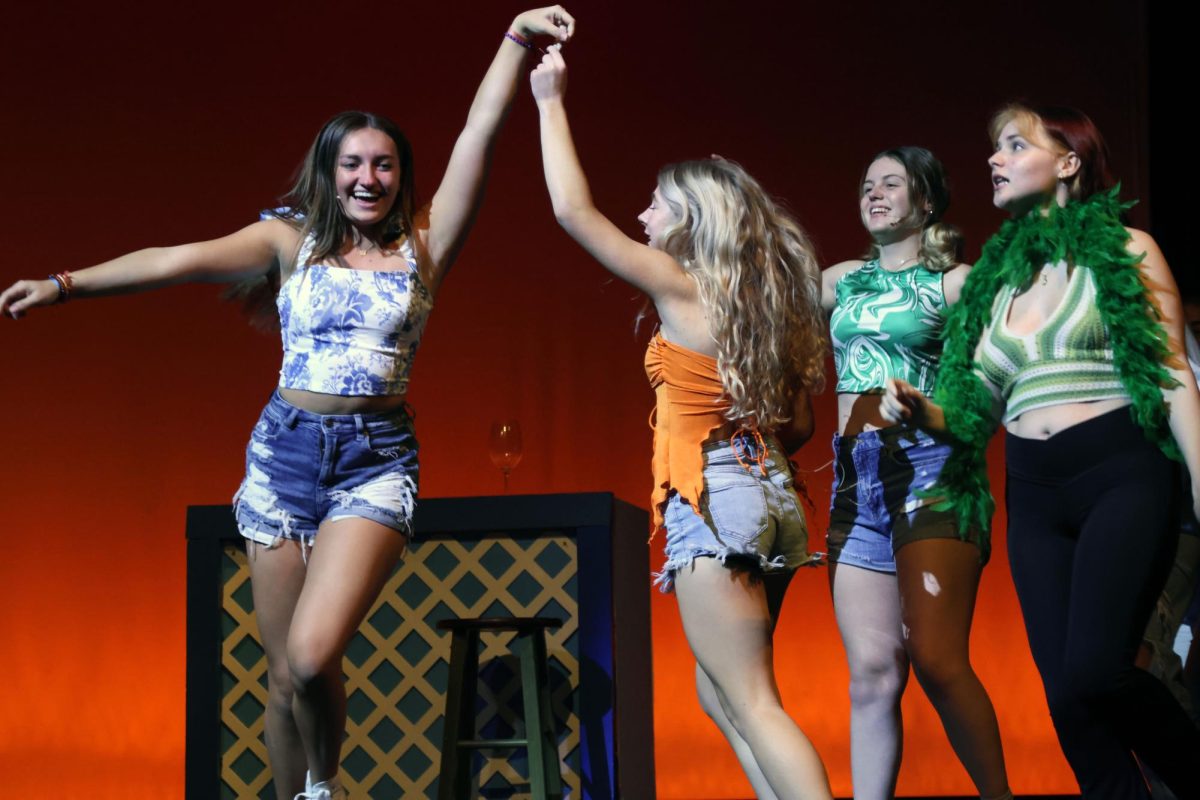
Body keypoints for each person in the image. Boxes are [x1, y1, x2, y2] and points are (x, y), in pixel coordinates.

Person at [0, 8, 575, 799]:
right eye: (351, 164)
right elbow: (176, 260)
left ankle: (323, 788)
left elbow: (480, 127)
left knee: (310, 657)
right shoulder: (288, 241)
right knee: (280, 679)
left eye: (383, 165)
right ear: (329, 172)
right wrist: (65, 286)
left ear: (402, 175)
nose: (367, 178)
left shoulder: (425, 247)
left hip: (372, 466)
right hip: (281, 457)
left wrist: (514, 37)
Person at [529, 46, 832, 799]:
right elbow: (798, 426)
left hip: (716, 496)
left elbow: (572, 212)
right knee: (718, 689)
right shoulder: (775, 304)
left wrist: (549, 100)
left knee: (755, 702)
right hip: (772, 496)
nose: (643, 215)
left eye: (657, 204)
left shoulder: (681, 284)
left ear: (692, 218)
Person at [881, 104, 1200, 798]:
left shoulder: (1128, 250)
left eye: (1015, 145)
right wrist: (920, 409)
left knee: (1096, 670)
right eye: (993, 147)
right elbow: (975, 416)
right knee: (1067, 704)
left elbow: (1173, 373)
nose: (994, 158)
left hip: (1119, 471)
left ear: (1068, 162)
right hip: (1035, 491)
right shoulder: (996, 285)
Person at [821, 147, 1010, 800]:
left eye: (891, 184)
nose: (873, 192)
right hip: (856, 479)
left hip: (932, 470)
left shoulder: (955, 284)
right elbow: (761, 306)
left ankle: (999, 796)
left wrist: (928, 411)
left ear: (926, 202)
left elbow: (990, 393)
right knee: (871, 673)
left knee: (935, 657)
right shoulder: (838, 280)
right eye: (867, 183)